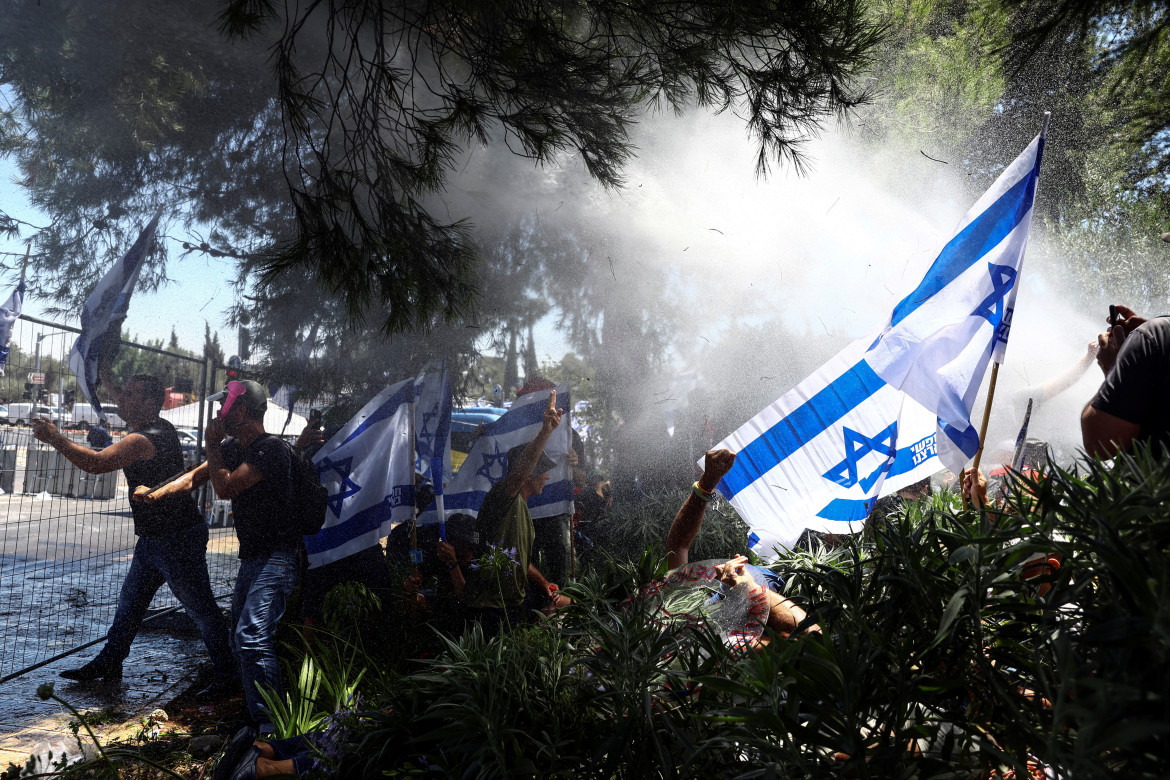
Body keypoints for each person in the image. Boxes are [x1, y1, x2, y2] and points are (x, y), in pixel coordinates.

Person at [32, 374, 233, 686]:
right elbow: (120, 393)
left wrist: (56, 438)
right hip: (157, 537)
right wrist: (105, 371)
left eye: (129, 395)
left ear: (149, 403)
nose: (120, 399)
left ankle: (228, 674)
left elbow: (97, 463)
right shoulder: (159, 426)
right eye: (121, 393)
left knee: (201, 610)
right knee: (130, 605)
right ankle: (110, 662)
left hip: (174, 537)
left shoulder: (143, 439)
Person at [142, 380, 299, 731]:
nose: (217, 414)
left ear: (240, 411)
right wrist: (155, 494)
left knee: (251, 636)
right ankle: (254, 714)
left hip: (277, 559)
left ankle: (273, 728)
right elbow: (194, 478)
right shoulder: (233, 447)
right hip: (254, 559)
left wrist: (212, 443)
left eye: (223, 407)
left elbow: (225, 487)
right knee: (237, 639)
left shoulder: (269, 449)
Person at [664, 448, 819, 639]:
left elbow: (677, 547)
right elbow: (812, 637)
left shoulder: (683, 615)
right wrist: (747, 588)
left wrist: (707, 482)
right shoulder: (734, 645)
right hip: (773, 590)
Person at [464, 390, 561, 637]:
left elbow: (519, 560)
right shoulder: (502, 497)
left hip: (511, 605)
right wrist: (546, 431)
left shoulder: (523, 508)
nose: (548, 476)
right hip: (490, 610)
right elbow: (518, 473)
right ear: (528, 474)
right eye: (543, 470)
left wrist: (543, 583)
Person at [1081, 304, 1170, 458]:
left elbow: (1099, 445)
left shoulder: (1153, 333)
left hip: (1152, 480)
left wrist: (1113, 369)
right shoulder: (1155, 334)